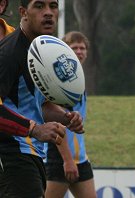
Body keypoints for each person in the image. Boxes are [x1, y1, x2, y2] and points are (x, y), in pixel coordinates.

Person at [0, 1, 84, 197]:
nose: (48, 13)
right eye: (39, 6)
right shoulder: (8, 52)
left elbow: (34, 103)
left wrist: (65, 116)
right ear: (23, 12)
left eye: (53, 6)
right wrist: (34, 129)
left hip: (31, 154)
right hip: (12, 155)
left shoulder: (40, 51)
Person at [44, 31, 97, 198]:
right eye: (74, 48)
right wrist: (67, 160)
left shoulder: (77, 79)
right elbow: (57, 121)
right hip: (60, 158)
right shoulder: (61, 81)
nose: (79, 52)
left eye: (83, 48)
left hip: (80, 159)